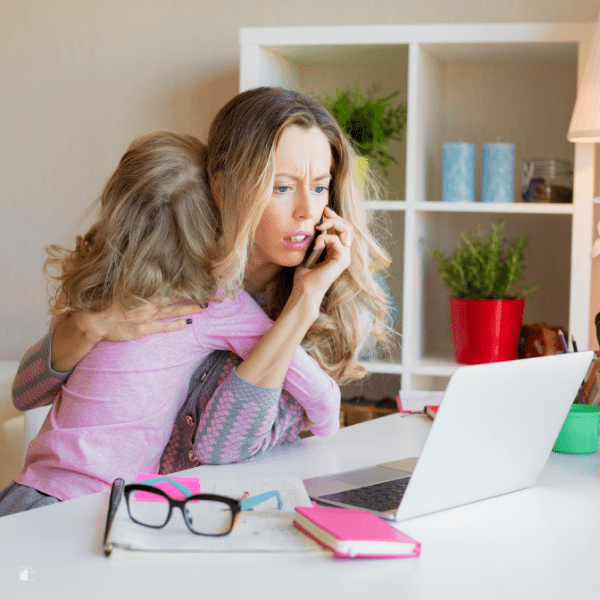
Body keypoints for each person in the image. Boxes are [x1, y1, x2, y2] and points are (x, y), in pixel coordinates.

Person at [4, 87, 393, 514]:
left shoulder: (320, 303)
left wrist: (305, 300)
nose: (307, 211)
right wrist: (90, 324)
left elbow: (222, 446)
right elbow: (24, 393)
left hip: (168, 515)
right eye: (282, 187)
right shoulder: (146, 264)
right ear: (224, 189)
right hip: (69, 502)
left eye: (320, 188)